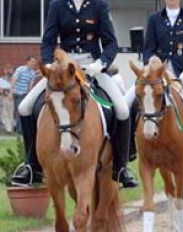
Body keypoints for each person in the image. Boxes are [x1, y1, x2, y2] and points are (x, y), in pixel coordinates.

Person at [11, 0, 137, 188]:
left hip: (91, 66)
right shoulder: (57, 5)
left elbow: (111, 44)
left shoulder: (99, 5)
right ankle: (32, 166)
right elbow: (48, 41)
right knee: (25, 107)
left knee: (122, 110)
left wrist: (100, 64)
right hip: (62, 68)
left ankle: (120, 167)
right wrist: (47, 64)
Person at [125, 0, 183, 172]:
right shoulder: (154, 19)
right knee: (126, 103)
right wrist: (151, 65)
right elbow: (148, 49)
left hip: (181, 76)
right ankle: (129, 150)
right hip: (156, 77)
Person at [11, 57, 37, 134]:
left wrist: (30, 95)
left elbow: (30, 86)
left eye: (34, 62)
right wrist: (11, 91)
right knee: (16, 111)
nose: (33, 63)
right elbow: (14, 79)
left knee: (20, 111)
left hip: (23, 94)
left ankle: (19, 130)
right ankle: (17, 129)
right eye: (32, 62)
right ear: (27, 62)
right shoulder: (20, 69)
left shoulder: (32, 73)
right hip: (16, 93)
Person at [0, 64, 15, 133]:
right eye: (5, 69)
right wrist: (3, 91)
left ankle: (10, 127)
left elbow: (13, 87)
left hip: (11, 96)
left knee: (10, 112)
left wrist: (10, 93)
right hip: (3, 96)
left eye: (8, 69)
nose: (6, 71)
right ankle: (8, 128)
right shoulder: (2, 78)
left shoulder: (13, 78)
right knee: (4, 112)